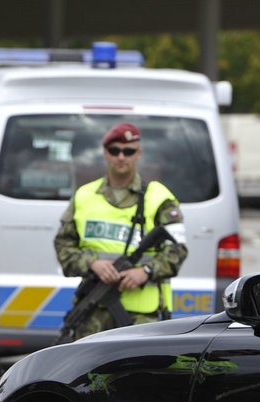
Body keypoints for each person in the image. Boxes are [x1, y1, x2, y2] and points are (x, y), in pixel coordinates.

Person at [53, 122, 188, 340]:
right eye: (115, 150)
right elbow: (63, 245)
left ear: (138, 154)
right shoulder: (84, 196)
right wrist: (91, 263)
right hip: (93, 311)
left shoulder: (159, 197)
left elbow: (178, 250)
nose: (121, 157)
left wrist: (145, 272)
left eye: (128, 151)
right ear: (105, 153)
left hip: (143, 314)